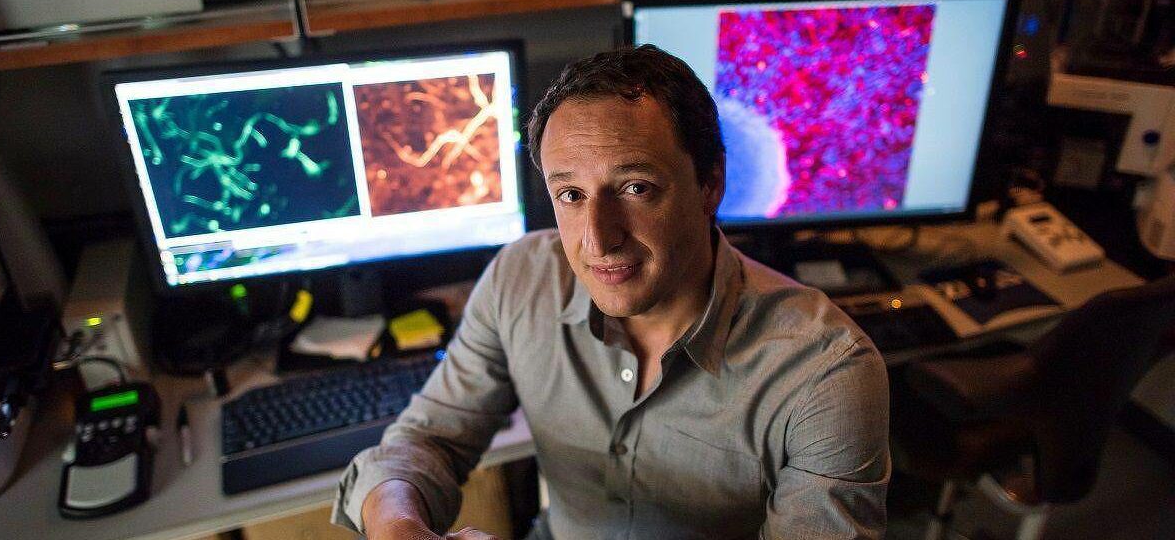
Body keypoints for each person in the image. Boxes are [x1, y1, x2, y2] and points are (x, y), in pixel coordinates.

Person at [332, 45, 890, 539]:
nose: (598, 239)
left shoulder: (824, 372)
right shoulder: (520, 280)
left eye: (635, 187)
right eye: (571, 195)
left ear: (711, 183)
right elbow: (427, 441)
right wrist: (400, 529)